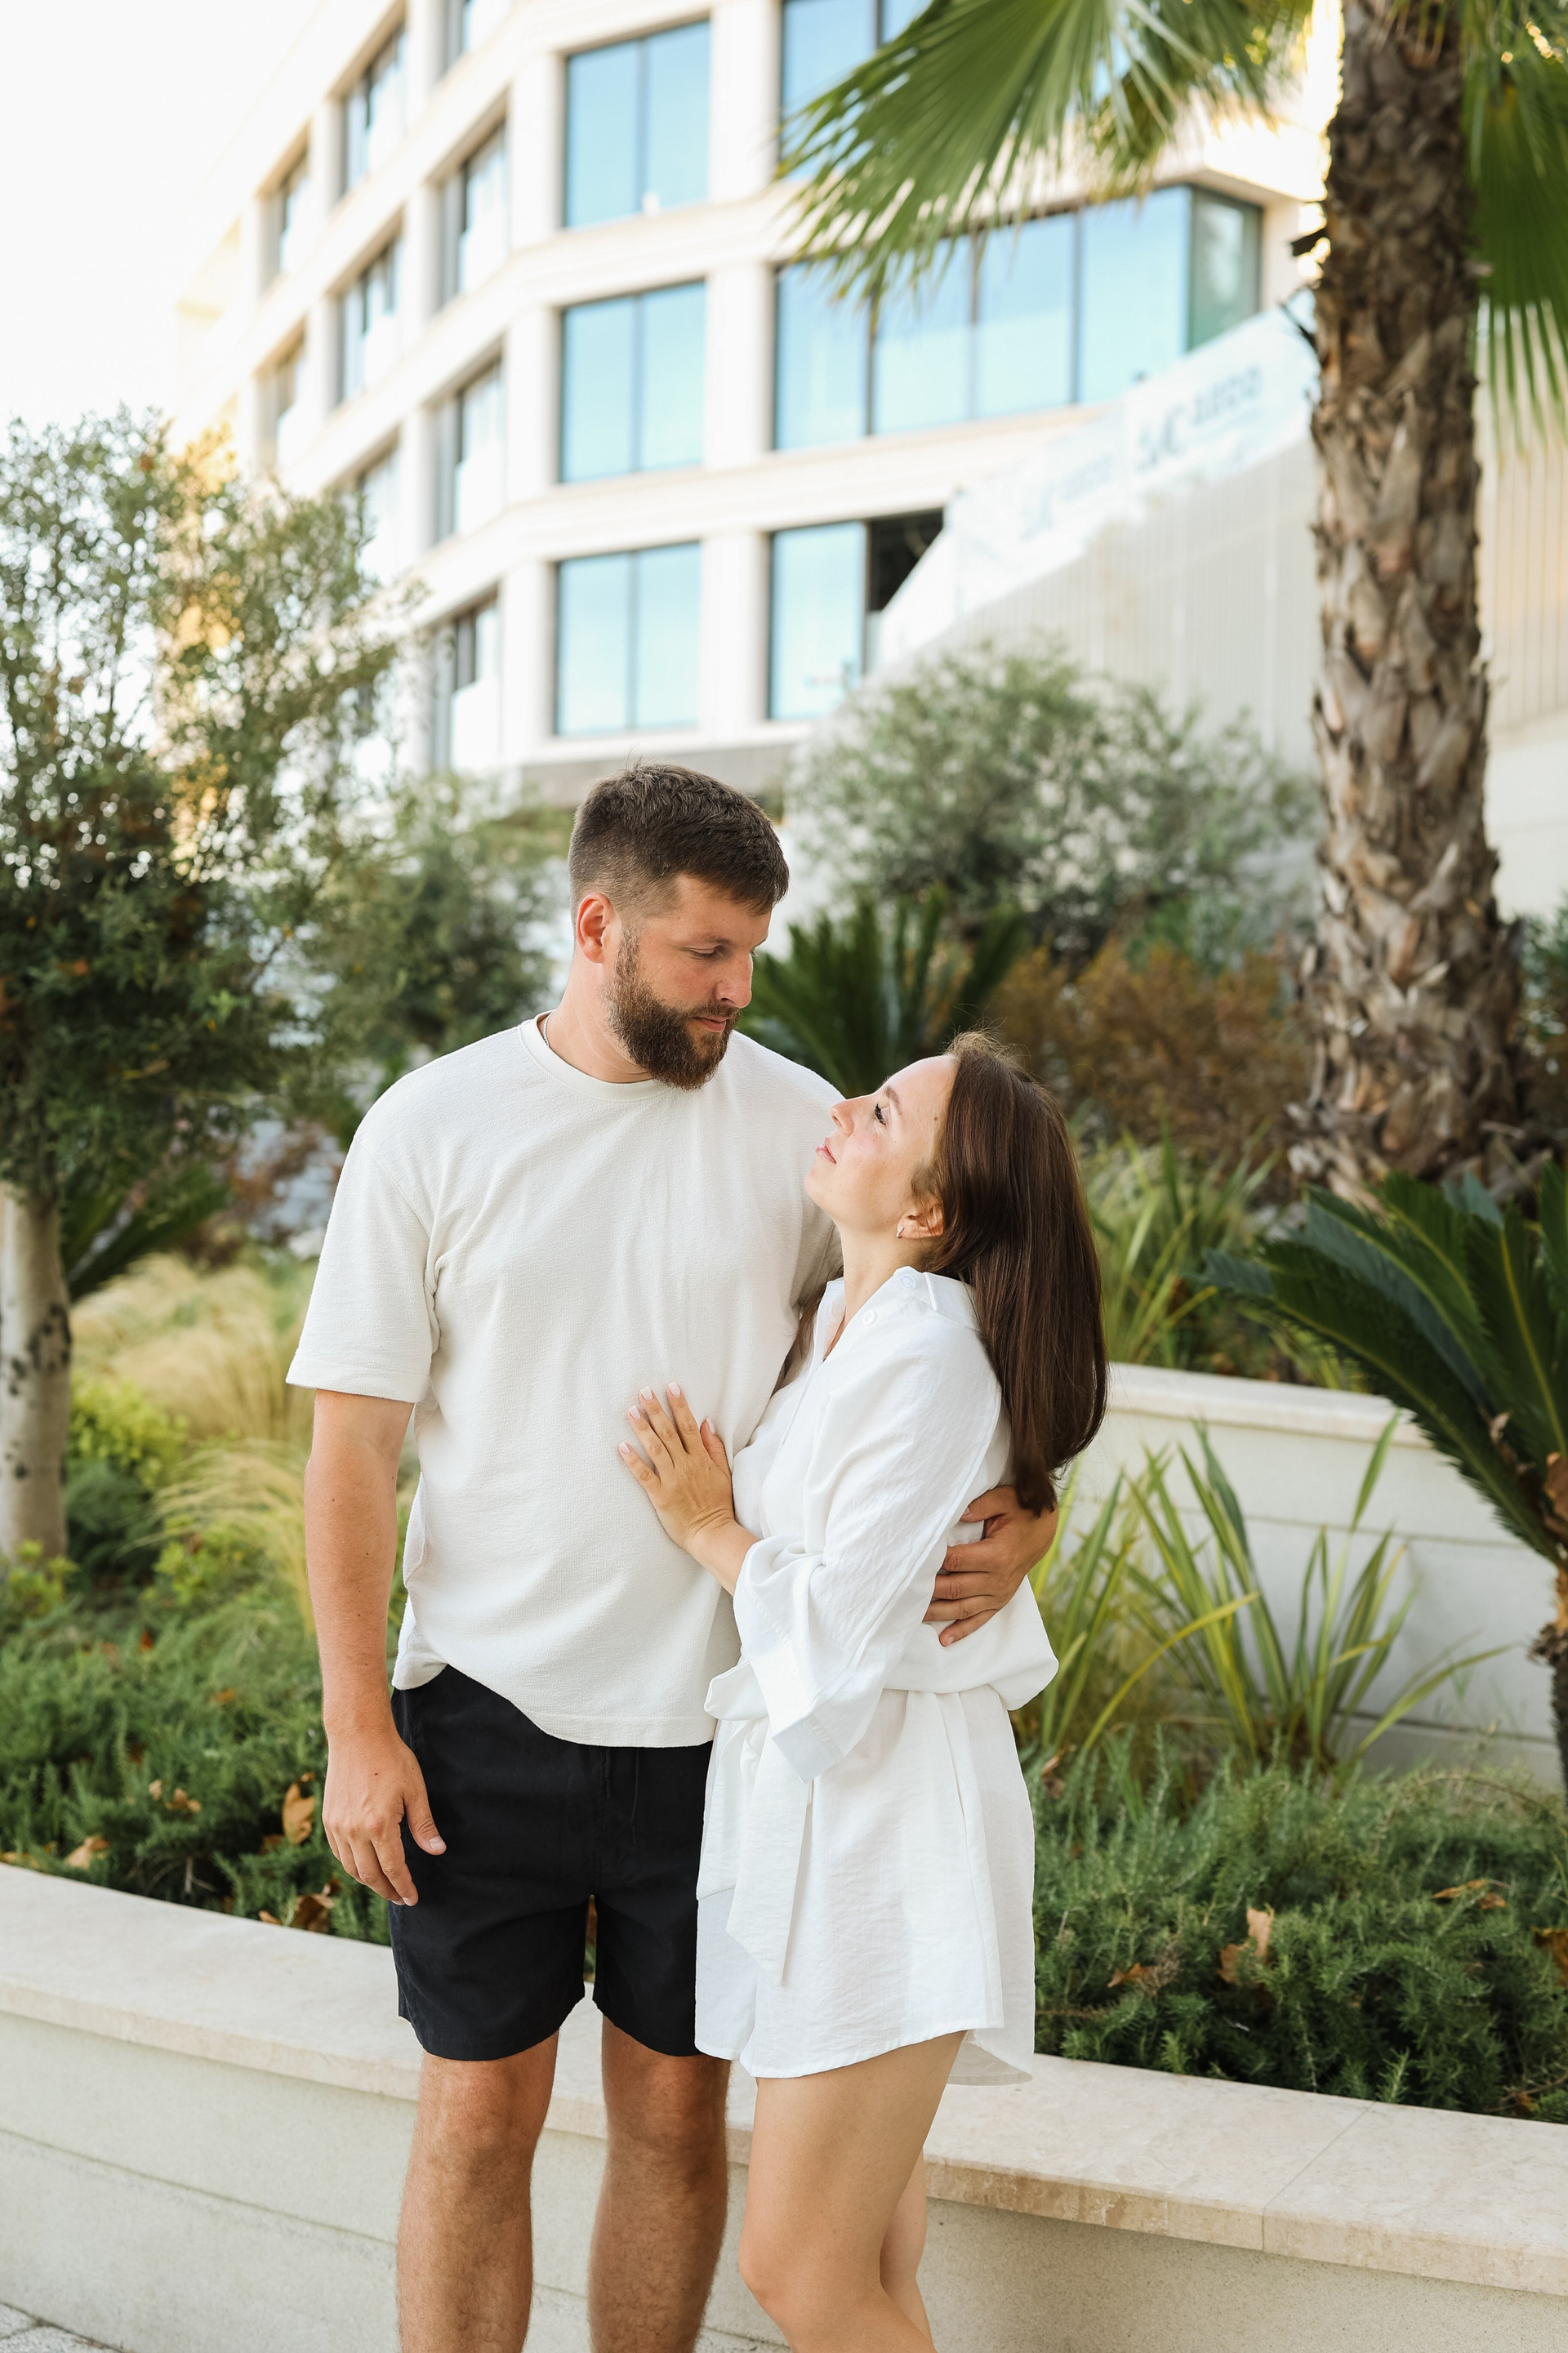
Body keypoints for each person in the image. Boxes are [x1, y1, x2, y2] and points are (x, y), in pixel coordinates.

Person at [289, 764, 1055, 2353]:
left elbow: (975, 1305)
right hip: (480, 1711)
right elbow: (350, 1451)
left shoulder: (799, 1125)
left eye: (752, 953)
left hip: (722, 1731)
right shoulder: (429, 1126)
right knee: (476, 2117)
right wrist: (357, 1725)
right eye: (707, 952)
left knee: (672, 2117)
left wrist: (1032, 1506)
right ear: (598, 927)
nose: (736, 990)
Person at [618, 1033, 1106, 2351]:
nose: (843, 1108)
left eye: (884, 1113)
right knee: (873, 2260)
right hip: (832, 1816)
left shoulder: (929, 1359)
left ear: (930, 1211)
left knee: (798, 2268)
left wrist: (710, 1527)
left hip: (888, 1832)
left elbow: (839, 1629)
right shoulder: (847, 1323)